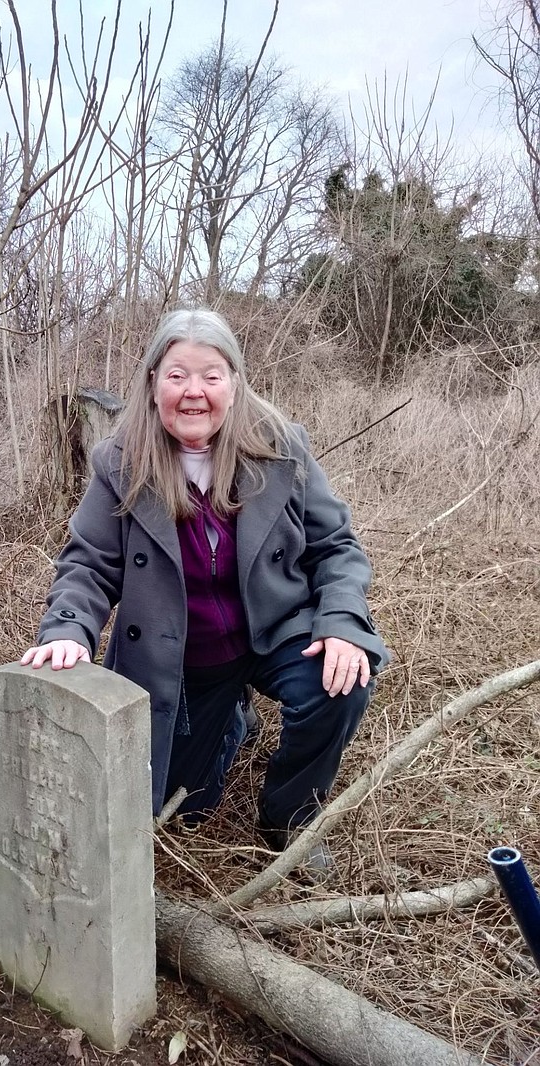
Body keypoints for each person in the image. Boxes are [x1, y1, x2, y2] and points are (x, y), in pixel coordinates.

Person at [21, 308, 388, 856]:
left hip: (276, 630)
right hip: (184, 658)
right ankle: (233, 720)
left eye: (211, 376)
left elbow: (336, 547)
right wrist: (68, 630)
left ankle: (290, 819)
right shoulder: (119, 461)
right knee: (179, 810)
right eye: (176, 376)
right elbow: (88, 563)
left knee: (341, 683)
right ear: (153, 384)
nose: (194, 392)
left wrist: (340, 622)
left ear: (234, 384)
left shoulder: (282, 445)